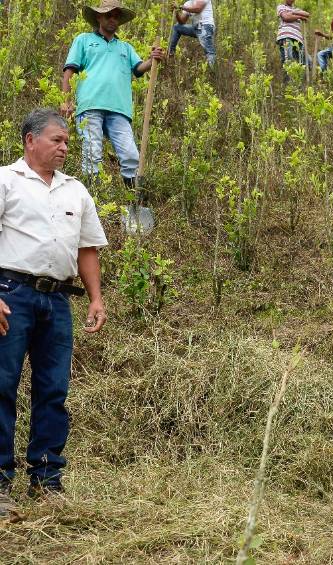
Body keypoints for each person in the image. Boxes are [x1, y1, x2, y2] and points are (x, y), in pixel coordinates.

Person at [0, 109, 108, 517]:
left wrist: (96, 298)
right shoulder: (6, 180)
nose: (64, 147)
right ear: (30, 140)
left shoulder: (75, 190)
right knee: (2, 385)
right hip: (11, 293)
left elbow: (87, 248)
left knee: (53, 390)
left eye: (67, 142)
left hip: (58, 301)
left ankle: (46, 479)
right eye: (56, 140)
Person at [61, 0, 165, 191]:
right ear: (99, 17)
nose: (113, 19)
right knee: (92, 154)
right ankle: (92, 196)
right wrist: (65, 100)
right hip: (90, 105)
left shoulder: (125, 47)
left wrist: (153, 59)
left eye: (116, 16)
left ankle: (133, 196)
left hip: (119, 108)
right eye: (109, 15)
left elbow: (139, 68)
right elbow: (69, 71)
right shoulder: (83, 40)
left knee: (130, 155)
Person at [168, 0, 216, 68]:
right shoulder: (188, 3)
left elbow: (198, 9)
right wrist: (176, 12)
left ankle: (212, 71)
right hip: (196, 28)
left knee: (209, 52)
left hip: (205, 26)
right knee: (177, 27)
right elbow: (182, 21)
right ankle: (170, 54)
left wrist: (181, 7)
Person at [276, 0, 309, 73]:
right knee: (288, 60)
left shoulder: (297, 9)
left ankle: (299, 83)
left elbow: (307, 14)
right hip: (286, 35)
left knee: (305, 62)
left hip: (298, 39)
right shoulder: (281, 7)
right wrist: (299, 16)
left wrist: (294, 12)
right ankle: (288, 83)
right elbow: (286, 17)